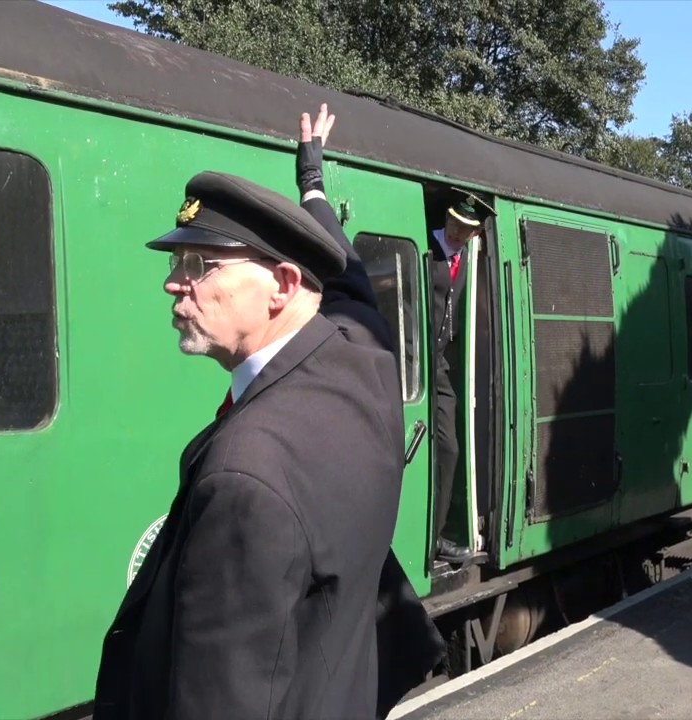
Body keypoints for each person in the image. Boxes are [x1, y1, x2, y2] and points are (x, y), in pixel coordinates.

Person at [93, 161, 410, 718]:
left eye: (200, 265)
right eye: (176, 261)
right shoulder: (370, 372)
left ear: (283, 286)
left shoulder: (245, 477)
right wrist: (313, 189)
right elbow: (351, 289)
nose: (174, 282)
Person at [294, 104, 447, 718]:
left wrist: (310, 183)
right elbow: (349, 280)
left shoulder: (271, 425)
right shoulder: (373, 356)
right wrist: (313, 186)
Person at [428, 193, 487, 565]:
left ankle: (437, 538)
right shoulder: (424, 246)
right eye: (453, 223)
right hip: (413, 360)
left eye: (465, 229)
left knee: (448, 448)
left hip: (441, 365)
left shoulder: (468, 260)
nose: (456, 231)